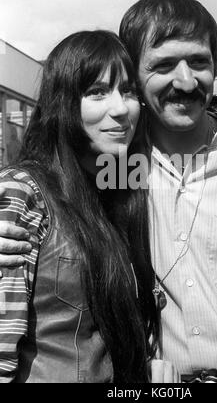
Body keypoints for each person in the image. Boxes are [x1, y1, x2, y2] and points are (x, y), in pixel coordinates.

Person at [1, 0, 217, 383]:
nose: (186, 81)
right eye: (163, 65)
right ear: (138, 77)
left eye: (199, 62)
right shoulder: (114, 164)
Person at [0, 29, 167, 383]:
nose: (121, 109)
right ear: (63, 104)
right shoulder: (24, 192)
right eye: (97, 92)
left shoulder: (121, 193)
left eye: (128, 91)